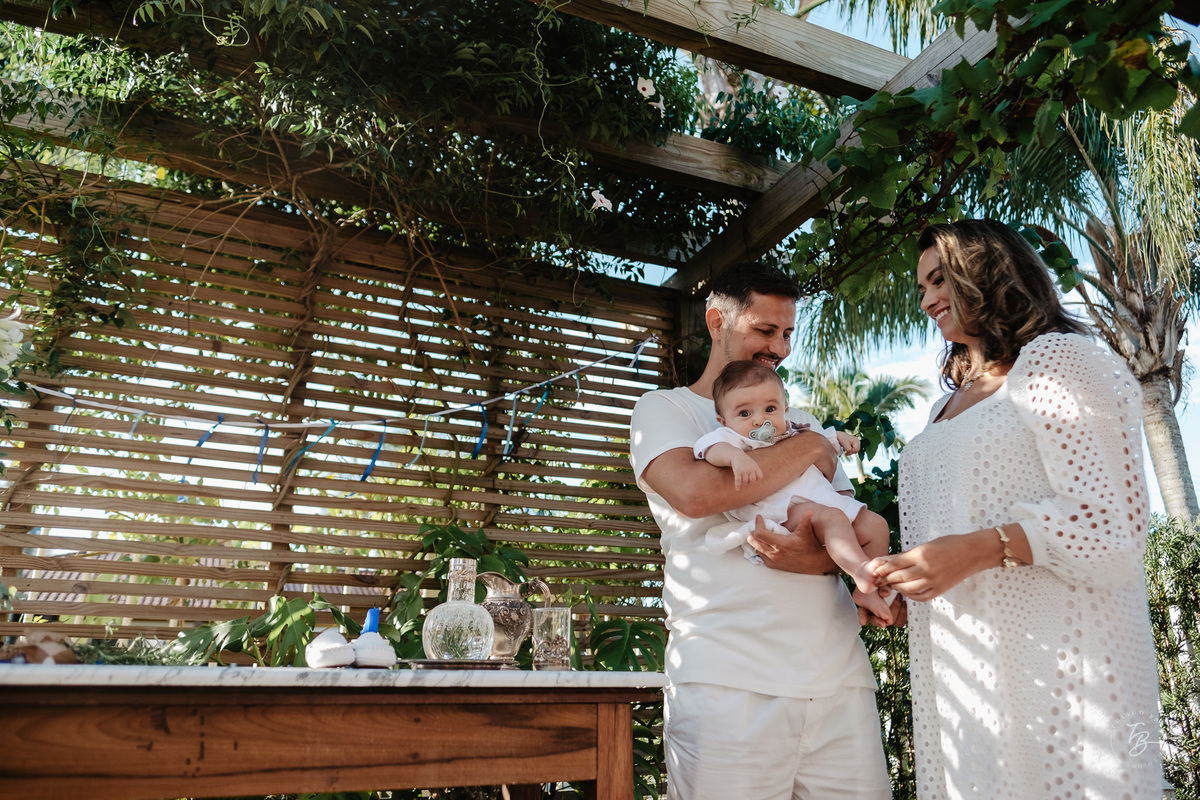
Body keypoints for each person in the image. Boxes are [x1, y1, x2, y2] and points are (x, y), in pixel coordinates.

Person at [864, 219, 1163, 798]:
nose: (926, 300)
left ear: (986, 271)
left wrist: (975, 552)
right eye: (920, 288)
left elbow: (1114, 530)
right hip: (967, 674)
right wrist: (909, 583)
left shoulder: (1058, 359)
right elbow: (952, 530)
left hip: (1061, 665)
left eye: (938, 279)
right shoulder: (943, 408)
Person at [629, 261, 895, 800]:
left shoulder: (797, 423)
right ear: (716, 322)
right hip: (728, 684)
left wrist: (820, 556)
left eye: (789, 333)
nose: (780, 347)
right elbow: (697, 493)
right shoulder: (665, 409)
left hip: (838, 679)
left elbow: (843, 519)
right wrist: (813, 448)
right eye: (765, 330)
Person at [697, 360, 894, 623]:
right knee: (833, 518)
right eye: (744, 414)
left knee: (877, 526)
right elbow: (709, 447)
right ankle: (860, 570)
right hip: (781, 508)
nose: (759, 419)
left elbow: (822, 441)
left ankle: (865, 591)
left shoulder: (793, 432)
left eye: (770, 408)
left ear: (784, 408)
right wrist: (735, 457)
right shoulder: (735, 439)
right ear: (724, 420)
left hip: (821, 501)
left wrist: (840, 439)